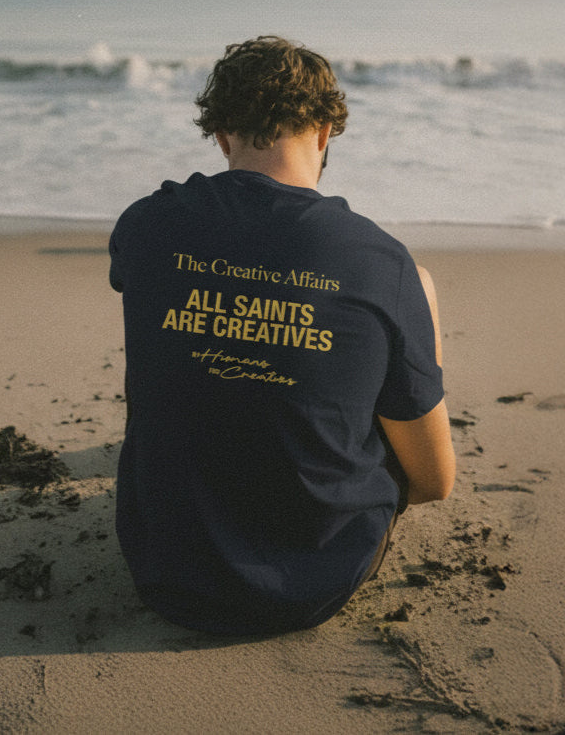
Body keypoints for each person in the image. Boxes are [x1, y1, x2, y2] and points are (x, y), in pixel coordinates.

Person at [108, 36, 455, 635]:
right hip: (319, 577)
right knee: (413, 291)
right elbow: (433, 483)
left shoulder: (145, 225)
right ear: (324, 133)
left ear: (220, 136)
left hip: (165, 567)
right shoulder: (379, 259)